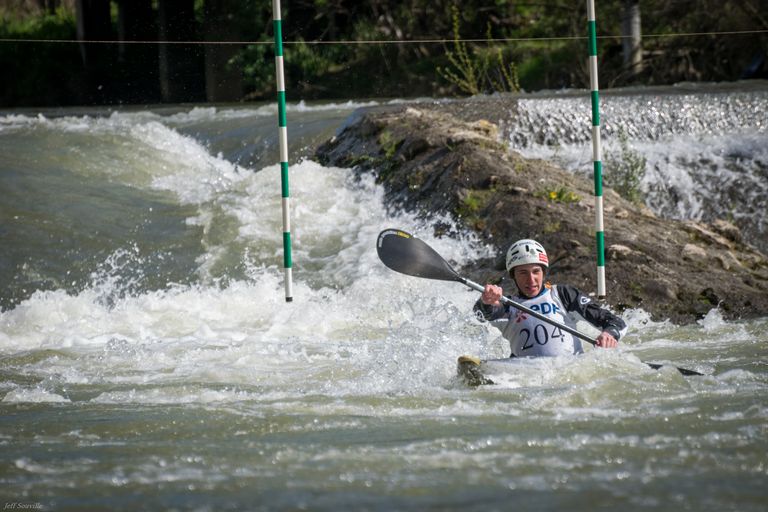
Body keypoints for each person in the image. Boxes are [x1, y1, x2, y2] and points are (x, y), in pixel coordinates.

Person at [474, 239, 627, 358]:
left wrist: (609, 334)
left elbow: (616, 322)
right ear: (513, 275)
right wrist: (486, 301)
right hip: (525, 375)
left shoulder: (563, 295)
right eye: (523, 273)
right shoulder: (507, 306)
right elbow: (481, 315)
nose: (531, 279)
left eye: (536, 271)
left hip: (568, 371)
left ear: (544, 272)